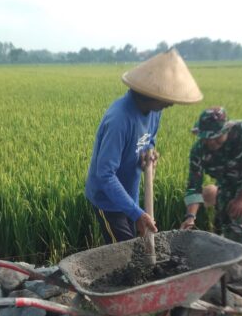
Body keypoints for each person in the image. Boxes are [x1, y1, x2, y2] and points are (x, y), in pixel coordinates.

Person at [85, 48, 203, 243]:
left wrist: (149, 154)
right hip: (107, 198)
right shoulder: (119, 119)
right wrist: (136, 213)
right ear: (151, 94)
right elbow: (105, 174)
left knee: (134, 244)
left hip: (129, 192)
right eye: (166, 99)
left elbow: (149, 141)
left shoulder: (155, 110)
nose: (170, 104)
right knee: (123, 250)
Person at [180, 107, 242, 239]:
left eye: (216, 137)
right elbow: (194, 185)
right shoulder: (199, 151)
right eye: (207, 138)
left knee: (241, 224)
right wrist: (190, 217)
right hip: (226, 181)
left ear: (226, 130)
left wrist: (241, 198)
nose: (211, 142)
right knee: (226, 221)